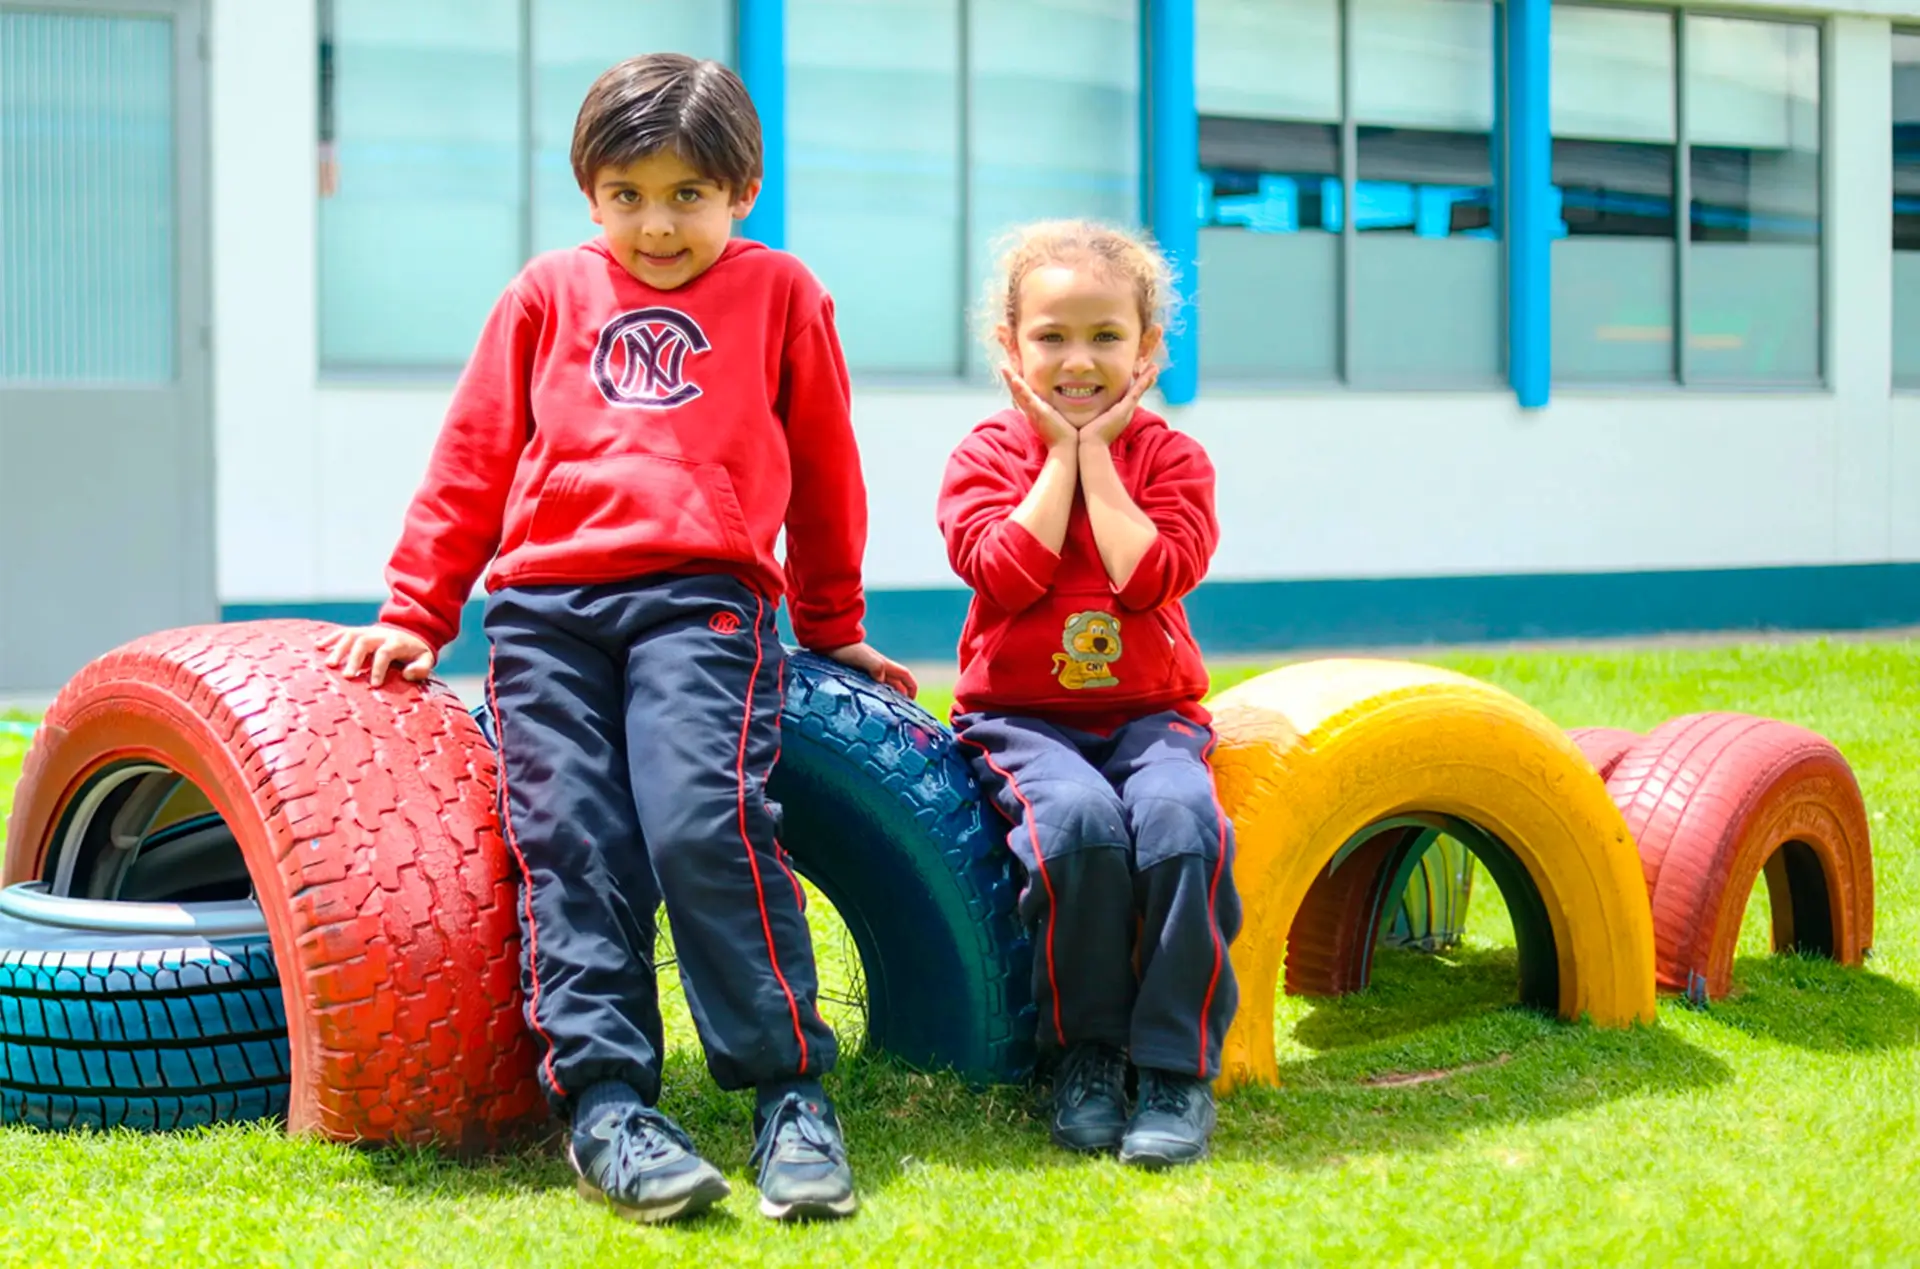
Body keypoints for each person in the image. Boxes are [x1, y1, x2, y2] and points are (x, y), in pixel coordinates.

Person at [320, 52, 914, 1224]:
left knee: (704, 823)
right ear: (591, 190)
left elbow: (827, 469)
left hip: (703, 599)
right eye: (629, 194)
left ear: (741, 192)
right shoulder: (546, 291)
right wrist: (415, 611)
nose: (657, 223)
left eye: (688, 195)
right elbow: (473, 459)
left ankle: (788, 1096)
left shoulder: (782, 293)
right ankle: (607, 1106)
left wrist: (834, 623)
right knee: (574, 839)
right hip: (545, 611)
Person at [936, 220, 1240, 1169]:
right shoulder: (985, 456)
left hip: (1152, 718)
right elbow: (1004, 568)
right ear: (1010, 349)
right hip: (1020, 722)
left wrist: (1100, 455)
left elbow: (1150, 578)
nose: (1079, 360)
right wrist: (1058, 458)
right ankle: (1087, 1055)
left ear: (1147, 350)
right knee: (1077, 827)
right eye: (1052, 337)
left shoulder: (1174, 461)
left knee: (1182, 822)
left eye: (1106, 336)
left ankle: (1174, 1068)